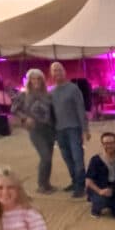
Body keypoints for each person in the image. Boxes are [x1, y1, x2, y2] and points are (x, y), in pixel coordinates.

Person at [10, 68, 57, 194]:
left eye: (39, 78)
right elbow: (14, 109)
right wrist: (25, 118)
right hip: (35, 131)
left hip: (49, 129)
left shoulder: (48, 95)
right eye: (33, 78)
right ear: (29, 81)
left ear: (42, 80)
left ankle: (46, 184)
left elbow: (53, 112)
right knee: (45, 157)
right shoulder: (24, 95)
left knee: (48, 158)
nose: (36, 81)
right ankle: (41, 185)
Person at [50, 61, 90, 198]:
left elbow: (80, 109)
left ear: (64, 72)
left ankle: (80, 185)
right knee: (67, 157)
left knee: (77, 157)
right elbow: (51, 114)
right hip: (59, 130)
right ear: (51, 74)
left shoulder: (73, 89)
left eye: (59, 69)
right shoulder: (52, 92)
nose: (57, 72)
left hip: (73, 128)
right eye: (54, 70)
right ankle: (74, 181)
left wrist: (85, 129)